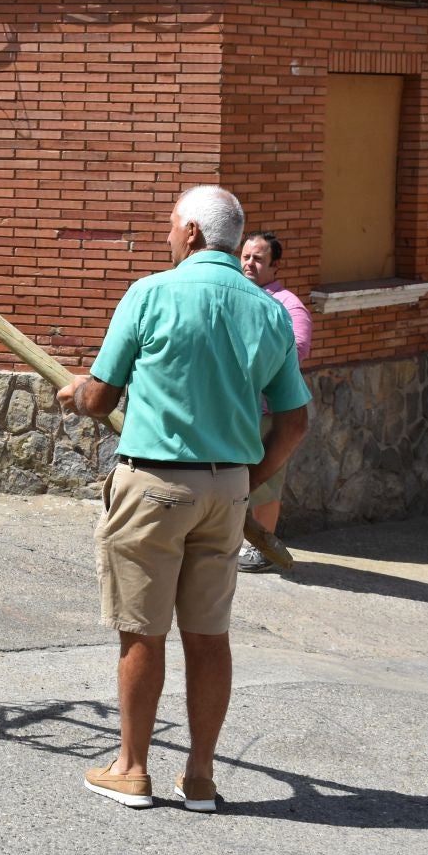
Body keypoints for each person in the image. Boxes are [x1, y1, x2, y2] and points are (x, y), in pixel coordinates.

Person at [56, 186, 310, 813]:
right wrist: (247, 484)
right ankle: (199, 778)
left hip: (156, 484)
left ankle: (132, 768)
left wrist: (75, 394)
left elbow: (100, 398)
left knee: (142, 630)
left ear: (193, 232)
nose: (167, 237)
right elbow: (294, 421)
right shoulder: (268, 310)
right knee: (208, 634)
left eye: (172, 226)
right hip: (226, 489)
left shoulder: (150, 293)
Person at [238, 232, 314, 575]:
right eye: (245, 256)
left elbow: (298, 348)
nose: (249, 264)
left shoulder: (288, 304)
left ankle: (262, 548)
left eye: (258, 259)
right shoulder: (236, 294)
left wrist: (251, 354)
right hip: (237, 407)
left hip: (269, 411)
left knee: (265, 482)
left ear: (274, 266)